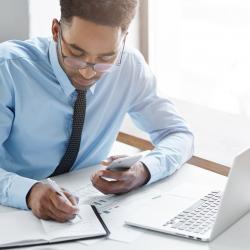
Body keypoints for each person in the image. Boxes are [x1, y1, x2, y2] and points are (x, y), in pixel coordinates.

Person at [0, 0, 193, 222]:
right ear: (55, 30)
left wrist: (144, 170)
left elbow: (178, 134)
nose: (87, 73)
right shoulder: (8, 69)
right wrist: (28, 192)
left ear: (123, 40)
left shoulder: (129, 66)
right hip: (10, 213)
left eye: (105, 59)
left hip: (86, 212)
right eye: (75, 54)